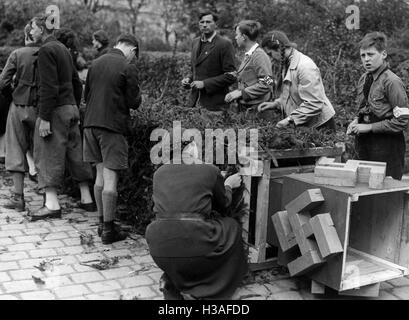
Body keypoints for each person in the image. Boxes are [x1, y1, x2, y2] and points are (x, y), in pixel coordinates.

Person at [145, 142, 248, 300]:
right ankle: (213, 284)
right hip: (194, 237)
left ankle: (173, 279)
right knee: (231, 226)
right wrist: (227, 184)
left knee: (180, 244)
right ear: (193, 150)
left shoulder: (159, 172)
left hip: (159, 243)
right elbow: (224, 206)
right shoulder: (209, 169)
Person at [30, 14, 95, 221]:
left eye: (32, 28)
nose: (31, 32)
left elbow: (48, 87)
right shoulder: (64, 50)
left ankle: (51, 204)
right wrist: (73, 106)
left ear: (42, 29)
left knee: (47, 153)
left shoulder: (46, 50)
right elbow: (76, 82)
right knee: (76, 153)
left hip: (55, 110)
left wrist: (45, 118)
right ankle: (87, 199)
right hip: (70, 109)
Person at [83, 34, 141, 244]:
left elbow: (86, 95)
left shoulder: (96, 63)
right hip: (112, 127)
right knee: (110, 179)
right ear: (133, 50)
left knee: (99, 175)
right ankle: (109, 230)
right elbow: (134, 102)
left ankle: (101, 222)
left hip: (90, 124)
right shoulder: (128, 66)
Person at [347, 32, 409, 180]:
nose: (366, 59)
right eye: (363, 56)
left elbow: (402, 121)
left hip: (388, 146)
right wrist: (356, 121)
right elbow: (363, 106)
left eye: (371, 54)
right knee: (364, 189)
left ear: (383, 54)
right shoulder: (364, 78)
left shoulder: (392, 82)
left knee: (386, 193)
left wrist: (368, 127)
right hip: (365, 143)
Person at [258, 30, 336, 130]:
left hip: (320, 125)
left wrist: (289, 120)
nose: (271, 59)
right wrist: (276, 104)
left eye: (270, 54)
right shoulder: (287, 63)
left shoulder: (305, 67)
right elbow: (290, 94)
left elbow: (314, 103)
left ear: (278, 49)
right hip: (306, 123)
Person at [0, 23, 40, 211]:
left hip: (19, 105)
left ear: (26, 36)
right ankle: (49, 198)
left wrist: (13, 95)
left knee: (15, 148)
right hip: (41, 108)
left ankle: (18, 197)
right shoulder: (50, 53)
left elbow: (3, 82)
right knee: (43, 150)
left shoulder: (17, 54)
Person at [181, 11, 236, 119]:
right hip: (194, 104)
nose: (204, 24)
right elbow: (195, 69)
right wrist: (188, 79)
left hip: (215, 107)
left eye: (208, 22)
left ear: (215, 24)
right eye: (202, 22)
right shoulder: (195, 42)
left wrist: (205, 84)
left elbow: (231, 76)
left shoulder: (224, 44)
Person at [225, 20, 273, 115]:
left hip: (257, 111)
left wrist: (240, 93)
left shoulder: (259, 55)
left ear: (243, 37)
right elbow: (251, 76)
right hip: (248, 108)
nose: (235, 37)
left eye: (237, 35)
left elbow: (268, 82)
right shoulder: (249, 54)